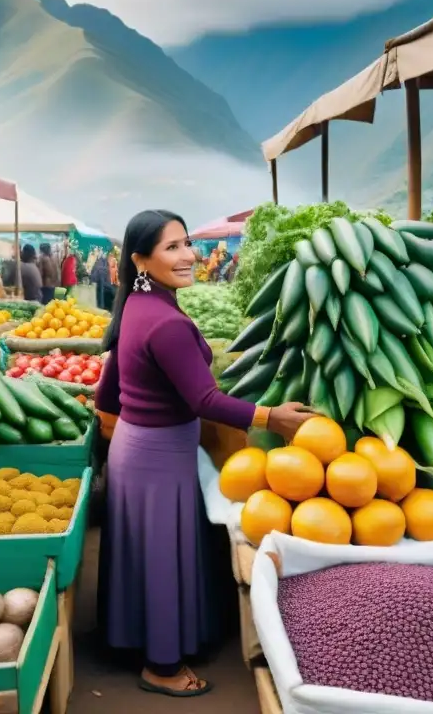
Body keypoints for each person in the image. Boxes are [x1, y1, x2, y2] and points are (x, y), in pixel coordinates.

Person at [94, 210, 315, 697]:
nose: (188, 255)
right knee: (160, 556)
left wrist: (115, 420)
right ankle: (162, 667)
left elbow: (108, 385)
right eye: (171, 247)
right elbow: (204, 401)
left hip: (138, 446)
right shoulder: (165, 321)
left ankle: (141, 641)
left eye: (186, 242)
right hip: (158, 456)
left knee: (148, 555)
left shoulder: (136, 303)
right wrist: (271, 415)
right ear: (140, 259)